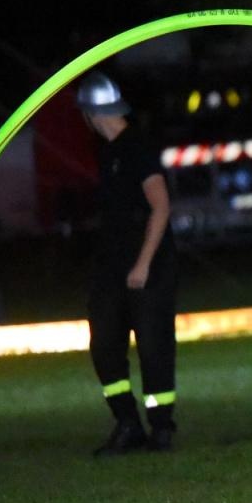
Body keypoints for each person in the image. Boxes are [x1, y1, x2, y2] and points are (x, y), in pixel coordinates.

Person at [77, 72, 180, 456]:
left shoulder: (136, 147)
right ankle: (126, 422)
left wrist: (143, 265)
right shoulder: (107, 153)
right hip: (110, 269)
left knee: (154, 348)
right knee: (104, 346)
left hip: (146, 270)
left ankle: (161, 428)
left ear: (91, 112)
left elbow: (160, 205)